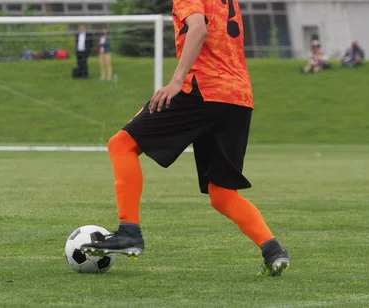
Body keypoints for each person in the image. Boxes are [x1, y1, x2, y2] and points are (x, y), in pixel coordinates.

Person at [81, 0, 290, 277]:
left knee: (121, 144)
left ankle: (129, 231)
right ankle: (273, 250)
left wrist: (177, 80)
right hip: (238, 97)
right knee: (221, 193)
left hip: (202, 89)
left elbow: (198, 30)